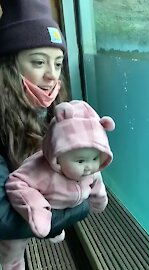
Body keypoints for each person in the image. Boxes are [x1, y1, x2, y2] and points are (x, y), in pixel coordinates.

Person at [0, 0, 89, 241]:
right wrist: (81, 204)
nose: (52, 74)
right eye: (39, 62)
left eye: (58, 63)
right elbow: (3, 217)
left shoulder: (57, 112)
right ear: (10, 66)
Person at [1, 100, 114, 269]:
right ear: (57, 158)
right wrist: (38, 210)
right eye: (81, 160)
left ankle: (53, 229)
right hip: (28, 215)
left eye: (96, 158)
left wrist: (98, 201)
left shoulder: (90, 172)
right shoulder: (39, 171)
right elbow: (16, 185)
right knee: (12, 251)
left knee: (51, 228)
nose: (89, 166)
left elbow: (97, 185)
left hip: (60, 211)